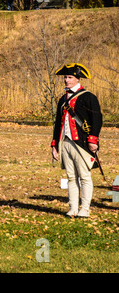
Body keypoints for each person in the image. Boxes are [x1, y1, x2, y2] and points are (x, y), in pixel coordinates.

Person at [51, 63, 102, 218]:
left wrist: (93, 140)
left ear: (77, 79)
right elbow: (58, 123)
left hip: (82, 143)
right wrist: (54, 145)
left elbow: (97, 119)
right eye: (65, 77)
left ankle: (84, 209)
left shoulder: (88, 97)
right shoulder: (62, 100)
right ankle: (73, 207)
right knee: (71, 177)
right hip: (66, 142)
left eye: (70, 77)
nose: (67, 80)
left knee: (84, 176)